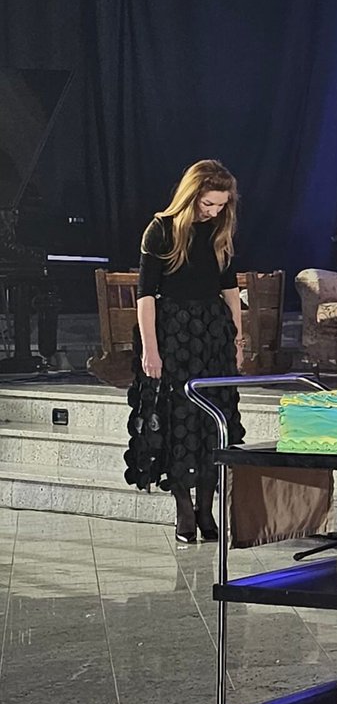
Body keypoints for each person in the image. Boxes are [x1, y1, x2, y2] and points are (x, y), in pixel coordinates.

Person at [123, 160, 244, 543]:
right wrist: (150, 350)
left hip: (212, 332)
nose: (214, 211)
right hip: (173, 332)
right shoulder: (161, 230)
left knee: (212, 421)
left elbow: (230, 291)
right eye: (208, 204)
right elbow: (145, 295)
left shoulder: (220, 232)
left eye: (221, 205)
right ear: (192, 196)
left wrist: (237, 342)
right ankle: (183, 510)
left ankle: (207, 509)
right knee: (177, 419)